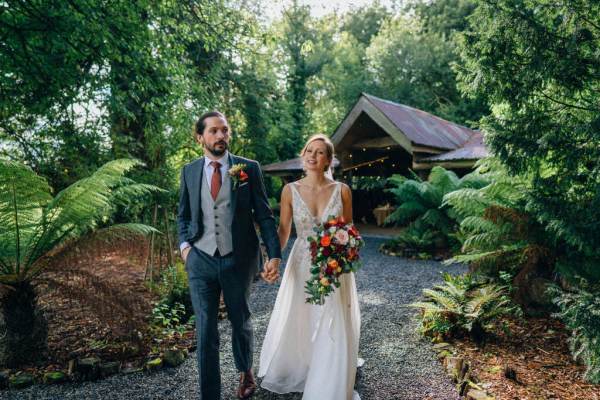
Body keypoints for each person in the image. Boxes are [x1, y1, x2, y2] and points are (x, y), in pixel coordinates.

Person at [177, 111, 281, 400]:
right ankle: (209, 395)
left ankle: (245, 372)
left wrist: (274, 255)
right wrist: (185, 248)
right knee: (206, 328)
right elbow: (183, 214)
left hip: (239, 258)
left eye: (225, 130)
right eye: (214, 131)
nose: (221, 135)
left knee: (241, 319)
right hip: (200, 257)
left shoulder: (249, 169)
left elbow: (264, 214)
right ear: (200, 137)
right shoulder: (189, 170)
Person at [258, 134, 362, 400]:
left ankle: (330, 376)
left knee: (332, 315)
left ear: (328, 159)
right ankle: (304, 364)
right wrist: (272, 258)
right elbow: (284, 230)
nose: (312, 156)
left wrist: (343, 256)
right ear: (303, 155)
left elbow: (348, 231)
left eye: (319, 152)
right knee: (302, 315)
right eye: (308, 151)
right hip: (302, 260)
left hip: (334, 264)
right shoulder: (290, 191)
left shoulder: (343, 191)